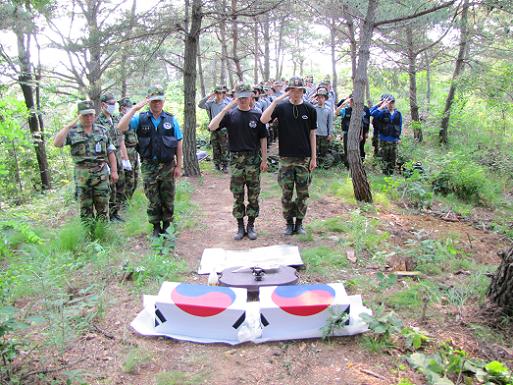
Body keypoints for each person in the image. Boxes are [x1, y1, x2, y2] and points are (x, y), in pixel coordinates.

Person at [118, 85, 183, 237]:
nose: (157, 104)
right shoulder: (139, 119)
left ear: (163, 101)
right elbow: (120, 127)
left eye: (159, 101)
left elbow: (179, 143)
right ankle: (155, 227)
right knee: (153, 198)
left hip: (168, 165)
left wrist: (179, 165)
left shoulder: (171, 119)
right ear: (148, 102)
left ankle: (167, 225)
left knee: (167, 197)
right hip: (148, 165)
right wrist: (134, 109)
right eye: (153, 101)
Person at [208, 84, 268, 241]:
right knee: (238, 194)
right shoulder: (230, 114)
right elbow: (212, 126)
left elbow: (263, 137)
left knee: (254, 195)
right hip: (236, 160)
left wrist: (264, 159)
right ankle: (240, 226)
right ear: (236, 98)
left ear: (251, 97)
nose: (242, 99)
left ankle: (251, 225)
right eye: (240, 97)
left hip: (253, 159)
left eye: (245, 96)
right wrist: (225, 109)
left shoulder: (257, 114)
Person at [261, 76, 317, 236]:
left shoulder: (310, 109)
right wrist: (276, 101)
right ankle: (288, 223)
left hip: (304, 158)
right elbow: (263, 119)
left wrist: (314, 157)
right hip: (285, 158)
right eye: (293, 90)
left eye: (299, 90)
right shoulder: (281, 107)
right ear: (289, 91)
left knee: (302, 193)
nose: (296, 93)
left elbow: (313, 134)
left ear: (303, 91)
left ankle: (299, 224)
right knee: (286, 192)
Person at [54, 100, 118, 224]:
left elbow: (111, 152)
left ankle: (103, 233)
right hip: (82, 176)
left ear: (94, 114)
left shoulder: (102, 130)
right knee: (85, 208)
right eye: (85, 115)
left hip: (101, 174)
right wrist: (68, 126)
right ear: (79, 115)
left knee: (103, 207)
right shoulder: (72, 132)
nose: (89, 117)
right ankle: (89, 236)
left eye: (91, 114)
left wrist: (114, 171)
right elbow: (57, 143)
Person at [97, 93, 129, 221]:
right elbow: (99, 143)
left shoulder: (115, 119)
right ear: (103, 105)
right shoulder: (98, 121)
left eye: (114, 103)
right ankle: (109, 214)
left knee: (120, 183)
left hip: (117, 156)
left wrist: (125, 158)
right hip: (106, 156)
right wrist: (104, 162)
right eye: (110, 104)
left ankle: (115, 212)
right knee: (110, 186)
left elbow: (120, 139)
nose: (113, 106)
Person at [198, 86, 230, 173]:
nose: (219, 95)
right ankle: (217, 165)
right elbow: (200, 105)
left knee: (224, 147)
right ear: (215, 93)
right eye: (217, 93)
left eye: (221, 93)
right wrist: (209, 96)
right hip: (213, 128)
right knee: (215, 147)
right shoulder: (211, 103)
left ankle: (225, 165)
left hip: (223, 128)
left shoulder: (226, 104)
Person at [336, 94, 371, 166]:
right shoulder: (346, 110)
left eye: (354, 100)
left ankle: (358, 164)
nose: (353, 102)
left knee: (358, 149)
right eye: (351, 100)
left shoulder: (359, 110)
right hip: (347, 133)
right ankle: (348, 166)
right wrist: (343, 103)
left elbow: (361, 123)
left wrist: (361, 134)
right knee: (347, 149)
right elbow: (336, 113)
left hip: (357, 134)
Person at [370, 95, 402, 175]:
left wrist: (398, 138)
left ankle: (390, 174)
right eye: (389, 103)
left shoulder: (398, 113)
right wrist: (381, 105)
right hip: (384, 139)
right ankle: (385, 174)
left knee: (393, 158)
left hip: (394, 140)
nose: (391, 104)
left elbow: (400, 126)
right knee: (384, 158)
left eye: (392, 103)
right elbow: (372, 113)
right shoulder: (382, 113)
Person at [119, 97, 139, 200]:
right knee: (128, 178)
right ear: (122, 108)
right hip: (126, 151)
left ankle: (128, 200)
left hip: (134, 151)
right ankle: (123, 202)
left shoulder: (132, 120)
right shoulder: (120, 120)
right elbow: (120, 139)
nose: (132, 109)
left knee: (135, 177)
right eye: (129, 107)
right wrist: (124, 157)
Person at [314, 88, 333, 168]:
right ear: (317, 98)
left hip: (324, 133)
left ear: (325, 99)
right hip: (315, 133)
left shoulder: (328, 110)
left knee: (324, 150)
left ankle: (323, 164)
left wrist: (330, 133)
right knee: (315, 150)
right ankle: (315, 164)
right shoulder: (313, 109)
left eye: (322, 97)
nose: (320, 99)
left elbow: (330, 123)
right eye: (319, 97)